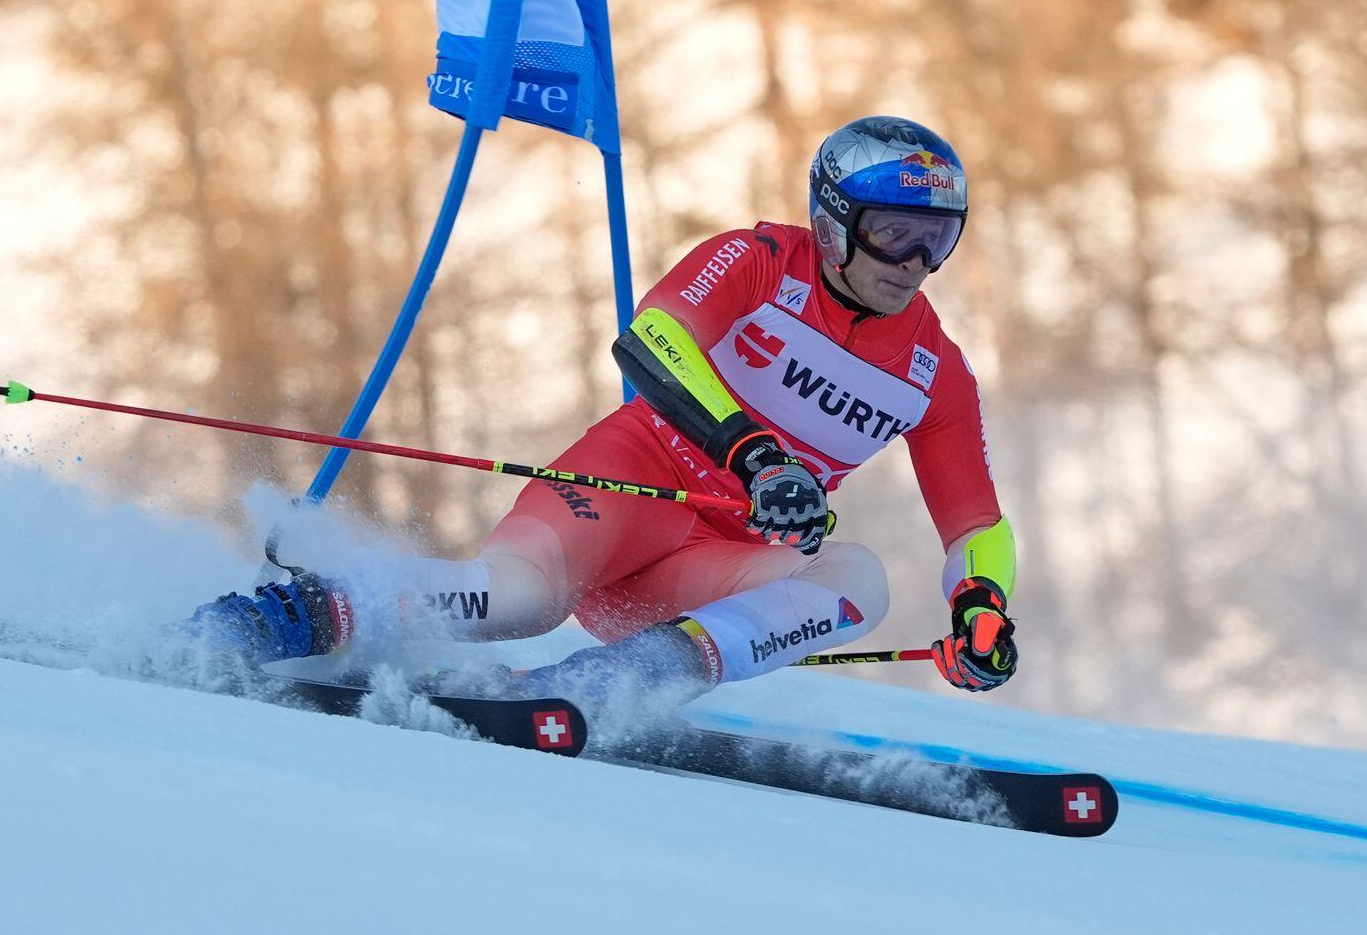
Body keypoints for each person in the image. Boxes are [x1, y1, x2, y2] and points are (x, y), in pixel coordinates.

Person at [193, 115, 1018, 708]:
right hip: (627, 486)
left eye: (938, 238)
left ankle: (630, 677)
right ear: (834, 223)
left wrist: (981, 606)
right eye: (893, 233)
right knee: (519, 601)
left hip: (702, 571)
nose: (915, 262)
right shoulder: (760, 259)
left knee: (859, 578)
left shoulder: (935, 371)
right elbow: (653, 338)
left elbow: (976, 523)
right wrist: (759, 457)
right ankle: (283, 616)